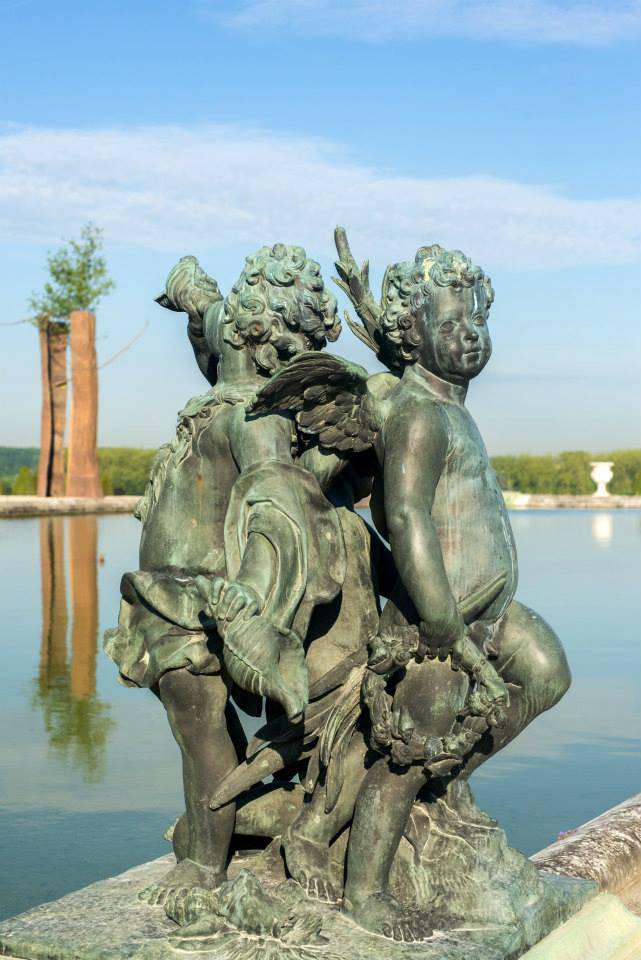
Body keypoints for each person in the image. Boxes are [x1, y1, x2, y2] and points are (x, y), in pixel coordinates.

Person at [252, 236, 571, 942]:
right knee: (406, 758)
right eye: (451, 324)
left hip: (488, 607)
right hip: (439, 620)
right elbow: (405, 516)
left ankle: (443, 778)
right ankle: (366, 892)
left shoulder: (447, 404)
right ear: (412, 335)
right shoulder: (419, 414)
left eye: (477, 320)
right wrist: (442, 624)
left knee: (546, 671)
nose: (470, 335)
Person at [105, 245, 345, 905]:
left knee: (200, 726)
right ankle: (229, 823)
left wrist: (252, 593)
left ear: (255, 337)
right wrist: (191, 291)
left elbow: (275, 504)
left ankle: (205, 865)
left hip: (202, 603)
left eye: (233, 332)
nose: (218, 342)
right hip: (167, 594)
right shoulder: (228, 381)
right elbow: (205, 317)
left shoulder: (254, 417)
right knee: (195, 726)